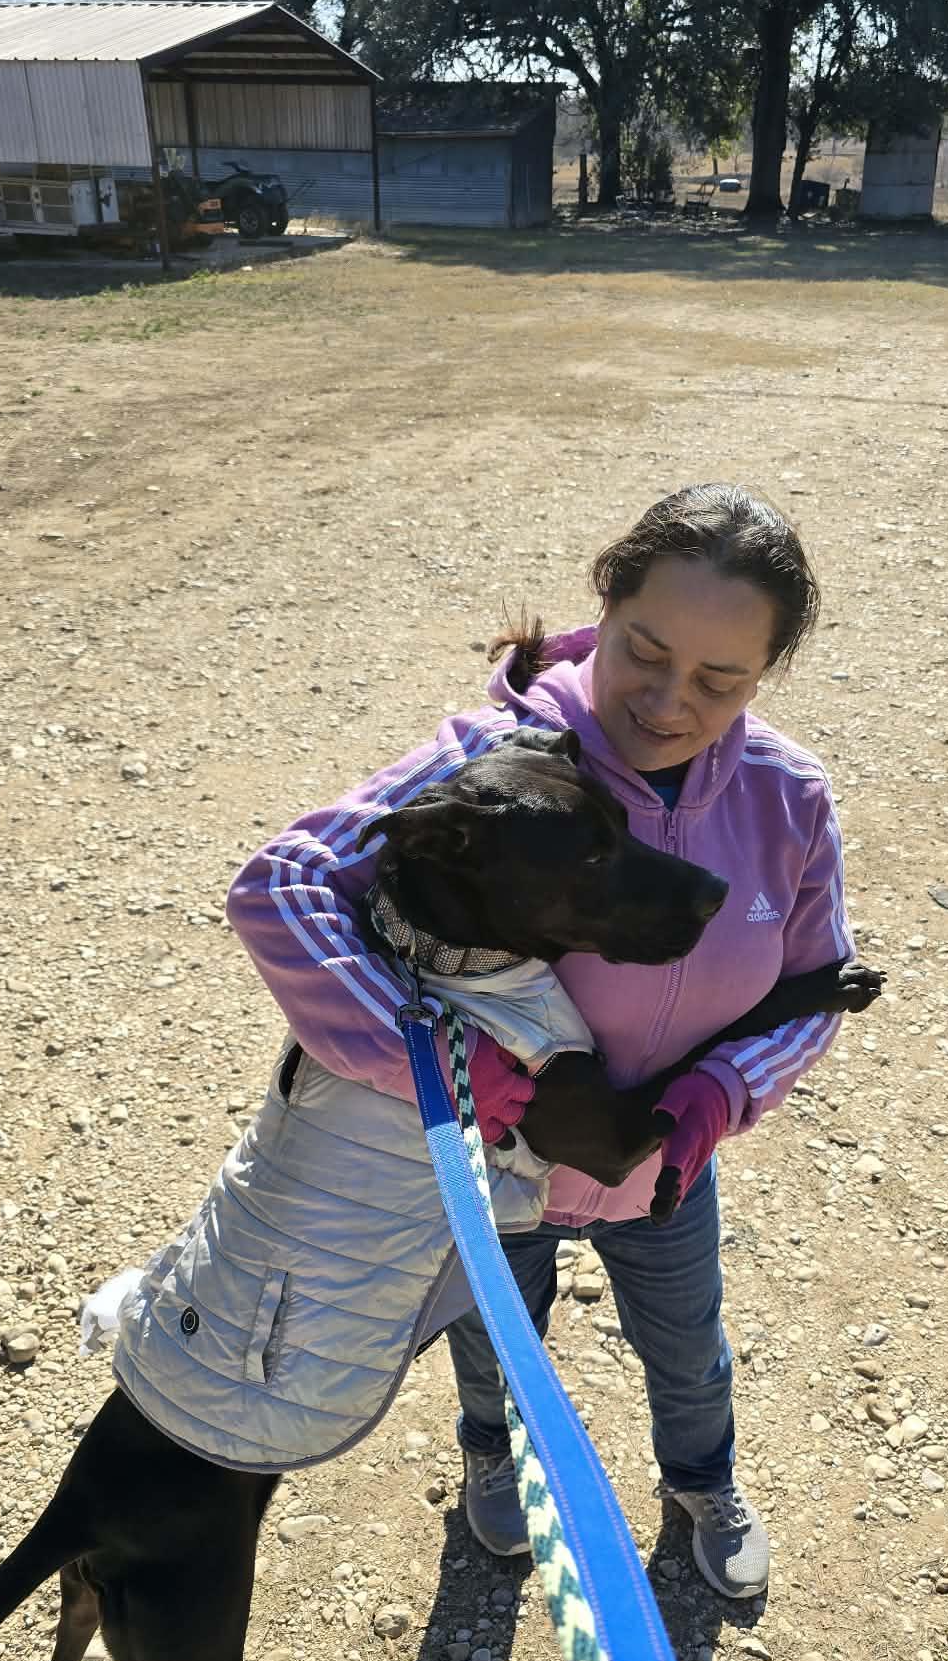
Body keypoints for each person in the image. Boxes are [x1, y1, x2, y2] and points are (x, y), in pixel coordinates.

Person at [227, 483, 856, 1599]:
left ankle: (703, 1479)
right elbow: (281, 887)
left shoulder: (788, 796)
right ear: (602, 607)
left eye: (720, 680)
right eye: (644, 651)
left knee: (689, 1345)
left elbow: (818, 985)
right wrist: (458, 1075)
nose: (668, 701)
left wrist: (719, 1094)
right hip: (493, 1172)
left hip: (664, 1169)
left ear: (767, 675)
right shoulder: (501, 761)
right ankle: (496, 1458)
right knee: (496, 1346)